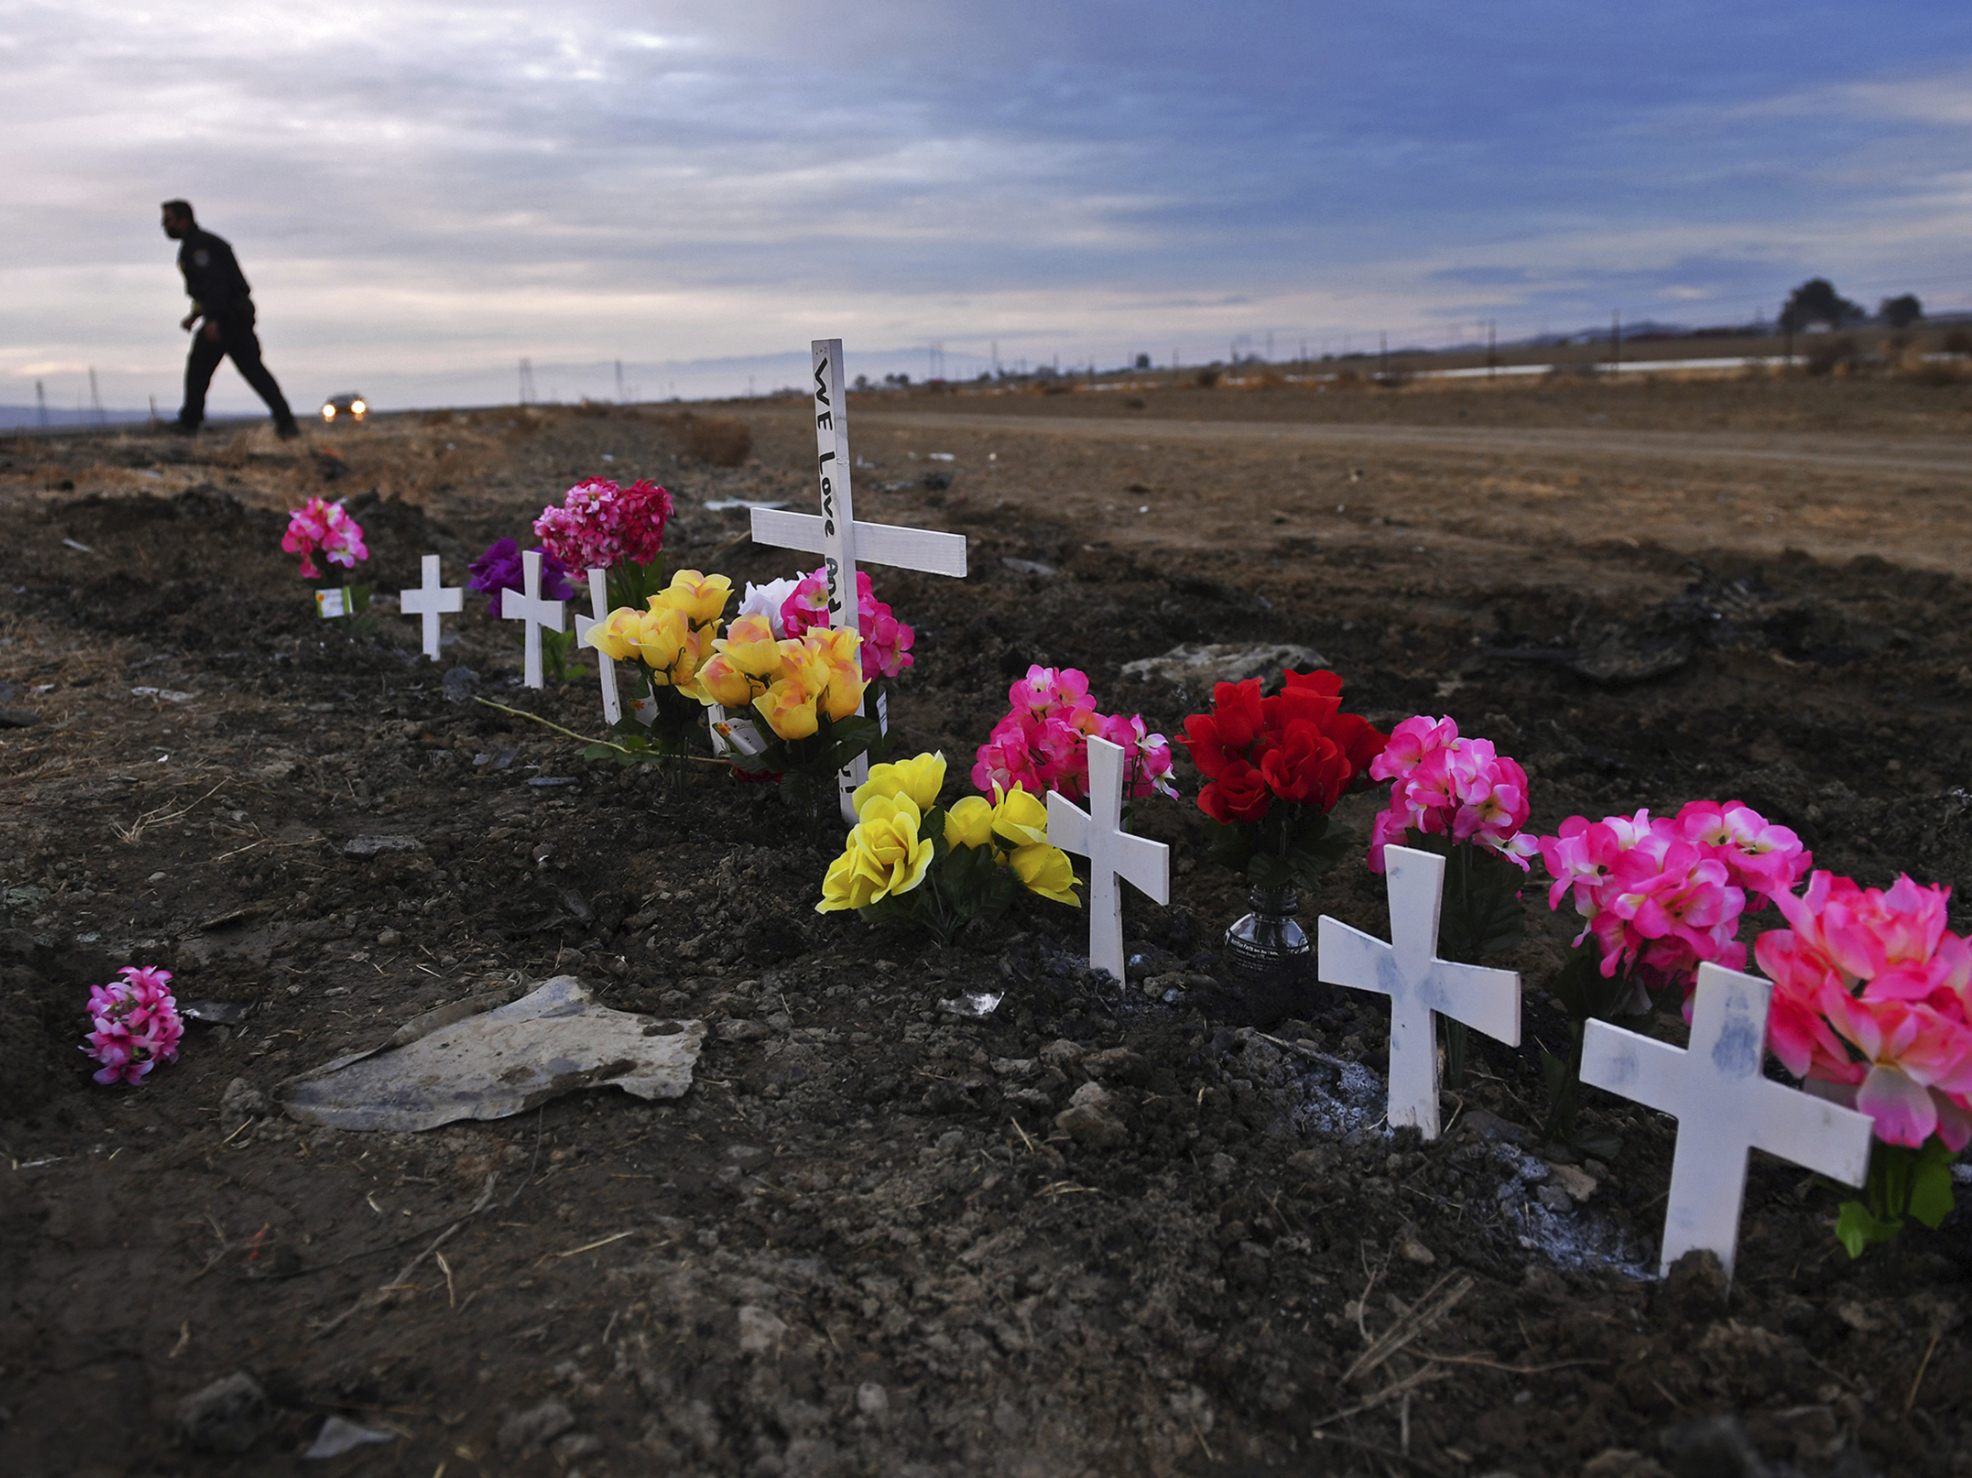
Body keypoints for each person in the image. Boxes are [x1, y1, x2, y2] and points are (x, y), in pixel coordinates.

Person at [160, 200, 299, 438]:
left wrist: (212, 319)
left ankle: (189, 422)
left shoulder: (199, 247)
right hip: (233, 315)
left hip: (227, 317)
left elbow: (216, 284)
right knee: (252, 369)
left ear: (183, 220)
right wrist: (195, 315)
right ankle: (285, 421)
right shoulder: (198, 245)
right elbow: (208, 289)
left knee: (199, 367)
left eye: (168, 220)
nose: (164, 226)